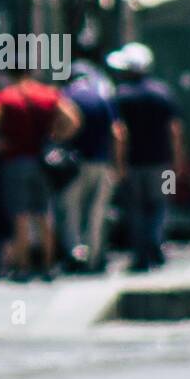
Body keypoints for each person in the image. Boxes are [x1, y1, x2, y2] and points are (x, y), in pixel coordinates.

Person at [0, 68, 81, 281]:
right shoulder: (49, 94)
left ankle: (23, 266)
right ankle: (48, 264)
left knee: (20, 214)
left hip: (15, 161)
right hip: (43, 162)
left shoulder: (5, 98)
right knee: (44, 213)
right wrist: (56, 137)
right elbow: (73, 120)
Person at [107, 43, 187, 272]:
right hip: (164, 164)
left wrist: (119, 164)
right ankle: (156, 245)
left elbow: (119, 133)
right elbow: (175, 130)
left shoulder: (120, 96)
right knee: (162, 204)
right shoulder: (163, 93)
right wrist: (178, 160)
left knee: (135, 208)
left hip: (133, 164)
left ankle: (142, 252)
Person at [60, 60, 125, 272]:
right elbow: (117, 132)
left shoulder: (65, 97)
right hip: (102, 163)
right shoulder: (102, 97)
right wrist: (118, 164)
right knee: (97, 212)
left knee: (71, 211)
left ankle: (74, 255)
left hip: (73, 165)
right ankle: (94, 258)